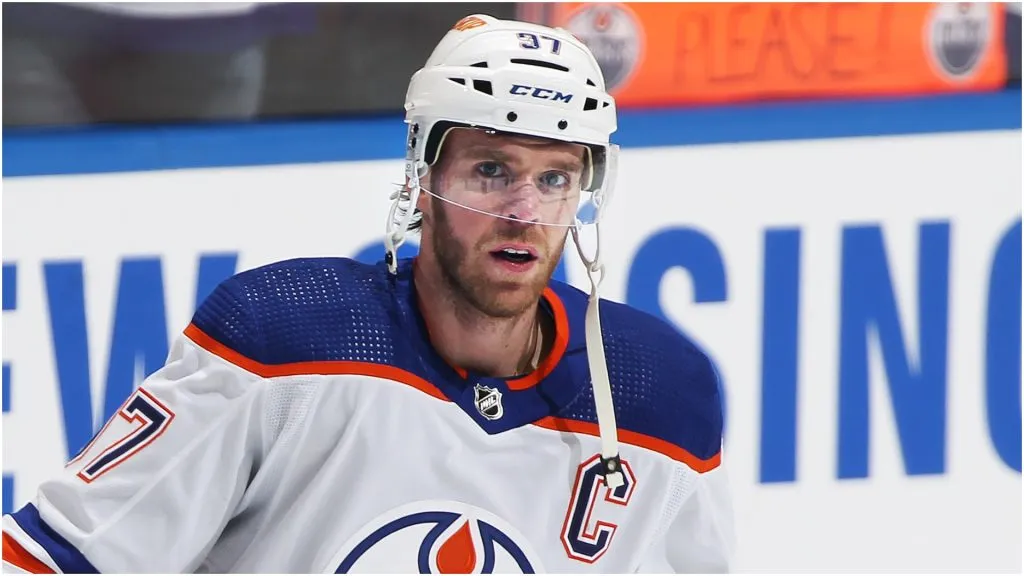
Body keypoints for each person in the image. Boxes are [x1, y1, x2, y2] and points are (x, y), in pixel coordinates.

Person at [2, 14, 734, 573]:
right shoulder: (282, 340)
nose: (523, 211)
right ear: (423, 178)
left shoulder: (659, 398)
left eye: (554, 178)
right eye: (490, 170)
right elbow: (55, 559)